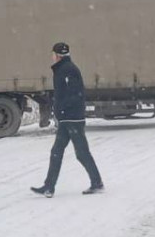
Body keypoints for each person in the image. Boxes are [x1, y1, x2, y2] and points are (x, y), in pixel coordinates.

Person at [32, 42, 104, 197]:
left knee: (81, 153)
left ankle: (97, 183)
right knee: (56, 151)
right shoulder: (63, 69)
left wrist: (63, 109)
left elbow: (74, 94)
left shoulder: (67, 70)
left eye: (52, 54)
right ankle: (49, 187)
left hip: (72, 118)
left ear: (57, 55)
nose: (52, 57)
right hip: (67, 118)